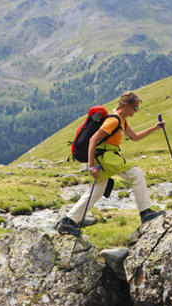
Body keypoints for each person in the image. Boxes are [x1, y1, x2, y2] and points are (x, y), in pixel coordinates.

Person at [55, 91, 165, 236]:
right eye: (135, 108)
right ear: (125, 106)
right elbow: (93, 140)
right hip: (106, 157)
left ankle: (68, 221)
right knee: (136, 174)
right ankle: (145, 212)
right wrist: (91, 167)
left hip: (106, 156)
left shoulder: (122, 120)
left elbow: (135, 137)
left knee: (97, 190)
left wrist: (155, 127)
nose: (135, 111)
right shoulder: (113, 121)